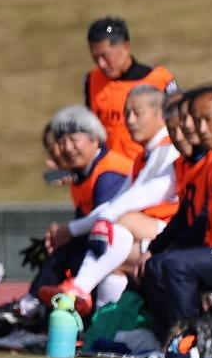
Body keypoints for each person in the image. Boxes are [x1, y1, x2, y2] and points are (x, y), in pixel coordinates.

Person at [41, 85, 179, 311]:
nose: (129, 121)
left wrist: (86, 225)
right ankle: (103, 323)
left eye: (137, 113)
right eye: (126, 113)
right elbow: (115, 203)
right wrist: (72, 229)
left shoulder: (168, 150)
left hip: (173, 235)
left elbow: (143, 195)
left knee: (120, 224)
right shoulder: (144, 156)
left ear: (160, 115)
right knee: (113, 255)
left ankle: (77, 289)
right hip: (152, 231)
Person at [12, 106, 133, 320]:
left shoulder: (110, 171)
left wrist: (66, 232)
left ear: (95, 138)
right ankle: (35, 308)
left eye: (73, 140)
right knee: (61, 251)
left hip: (132, 243)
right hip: (109, 244)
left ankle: (32, 308)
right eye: (61, 142)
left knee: (70, 255)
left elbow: (104, 225)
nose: (67, 148)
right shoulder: (83, 173)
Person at [146, 86, 212, 339]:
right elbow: (191, 214)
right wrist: (155, 248)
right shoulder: (211, 160)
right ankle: (165, 341)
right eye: (196, 121)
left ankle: (187, 342)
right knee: (157, 264)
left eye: (207, 120)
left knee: (178, 265)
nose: (199, 128)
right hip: (211, 248)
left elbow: (200, 218)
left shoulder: (207, 162)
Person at [83, 16, 176, 161]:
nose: (101, 64)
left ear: (125, 47)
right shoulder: (92, 80)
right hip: (110, 170)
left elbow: (177, 124)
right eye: (95, 57)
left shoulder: (159, 79)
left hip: (150, 166)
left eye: (106, 56)